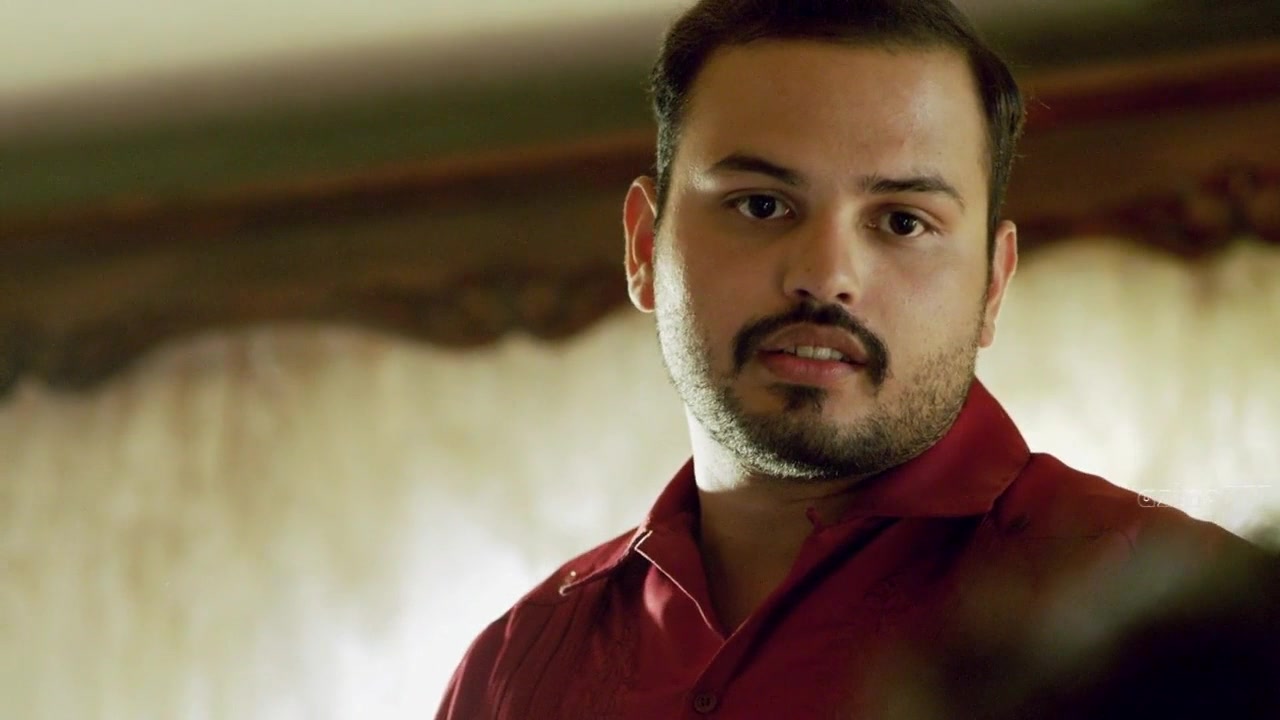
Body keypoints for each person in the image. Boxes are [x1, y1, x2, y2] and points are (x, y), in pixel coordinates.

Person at [435, 1, 1275, 717]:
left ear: (992, 283)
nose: (825, 274)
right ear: (645, 248)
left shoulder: (1208, 628)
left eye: (903, 221)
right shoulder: (511, 669)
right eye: (761, 205)